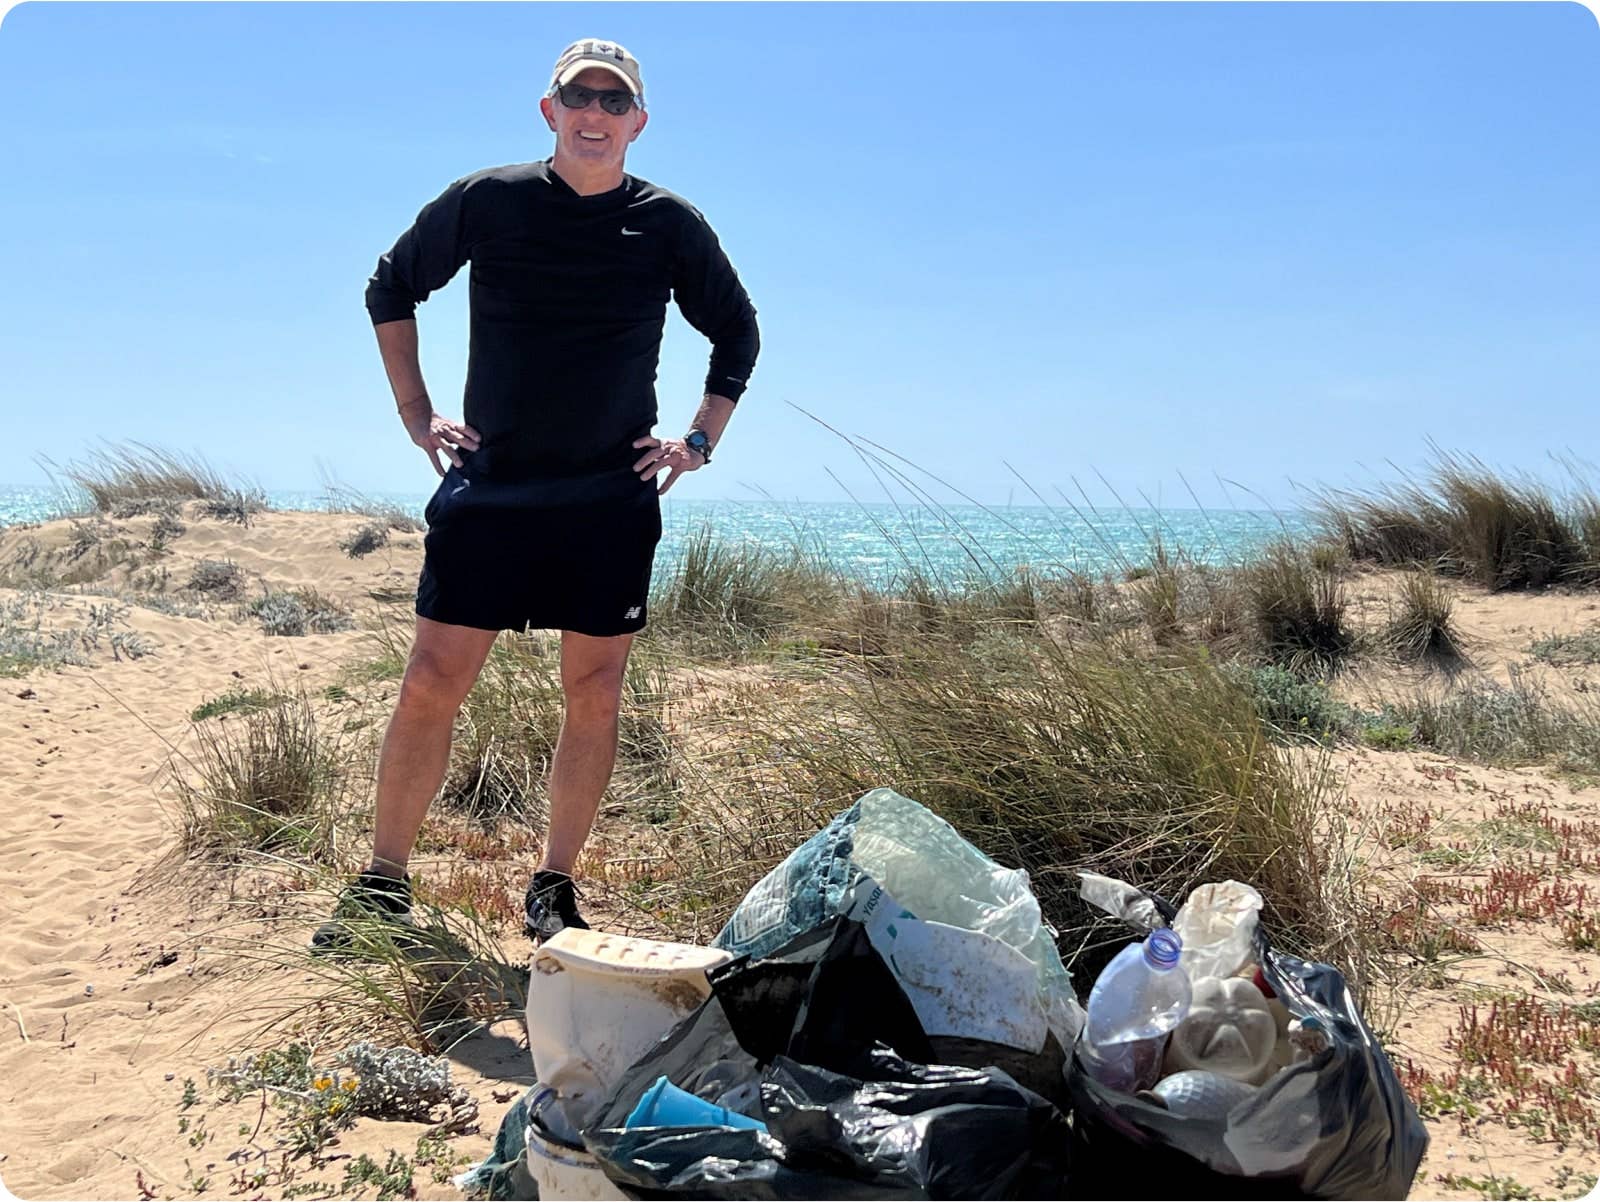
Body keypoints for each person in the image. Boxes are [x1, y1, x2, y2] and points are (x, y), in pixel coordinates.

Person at [313, 37, 759, 950]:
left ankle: (554, 888)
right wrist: (416, 411)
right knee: (433, 678)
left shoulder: (669, 223)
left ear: (638, 121)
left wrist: (700, 439)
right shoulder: (490, 200)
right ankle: (385, 883)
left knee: (593, 693)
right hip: (494, 488)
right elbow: (391, 286)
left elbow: (738, 331)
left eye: (613, 101)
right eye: (578, 97)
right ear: (549, 110)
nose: (595, 114)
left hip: (608, 499)